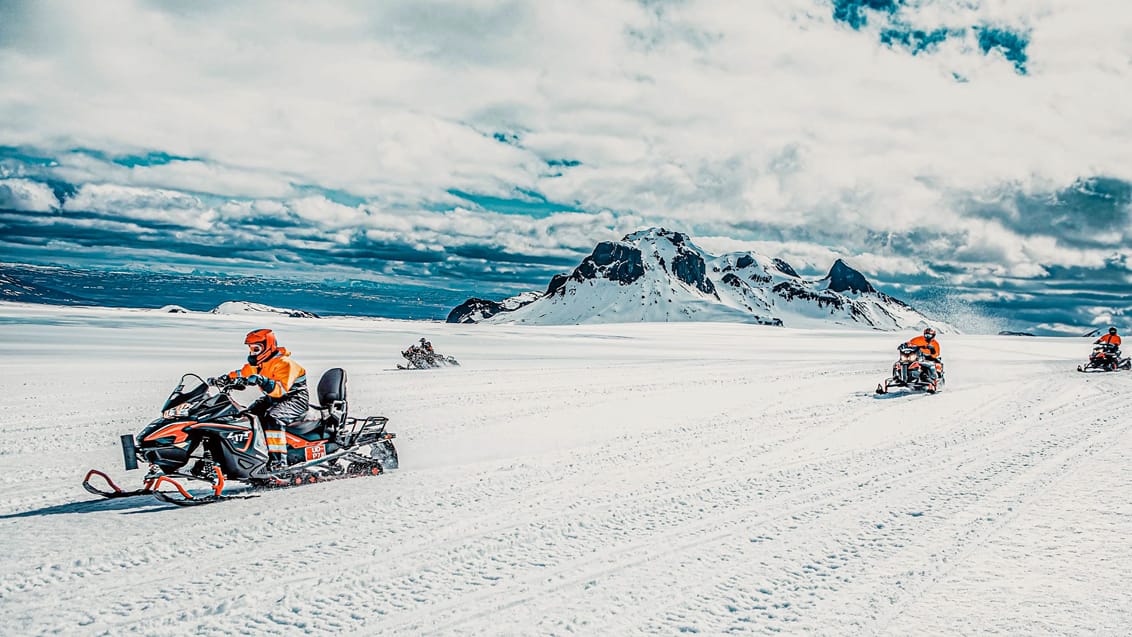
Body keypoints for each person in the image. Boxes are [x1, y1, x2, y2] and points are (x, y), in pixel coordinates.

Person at [219, 329, 309, 472]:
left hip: (295, 399)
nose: (253, 352)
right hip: (272, 398)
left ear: (268, 346)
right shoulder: (260, 364)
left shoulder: (284, 363)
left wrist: (263, 380)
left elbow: (281, 390)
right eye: (251, 349)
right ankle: (255, 457)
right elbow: (242, 373)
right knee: (248, 416)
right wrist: (225, 378)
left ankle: (278, 462)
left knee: (273, 418)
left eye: (256, 348)